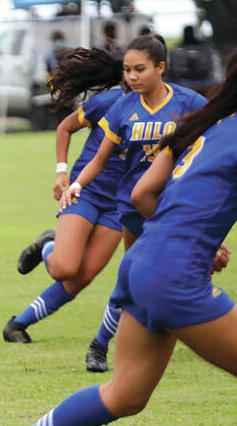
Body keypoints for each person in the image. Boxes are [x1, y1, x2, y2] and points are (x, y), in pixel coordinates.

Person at [0, 39, 237, 426]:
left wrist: (187, 237)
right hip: (175, 274)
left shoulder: (201, 125)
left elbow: (142, 195)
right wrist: (193, 242)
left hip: (141, 262)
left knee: (125, 395)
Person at [57, 35, 207, 369]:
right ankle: (102, 344)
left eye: (140, 69)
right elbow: (98, 160)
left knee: (177, 273)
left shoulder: (190, 103)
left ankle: (112, 342)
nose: (132, 77)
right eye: (127, 70)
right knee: (133, 275)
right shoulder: (123, 108)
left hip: (174, 205)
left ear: (161, 67)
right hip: (133, 206)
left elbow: (215, 138)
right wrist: (75, 185)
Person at [2, 47, 127, 374]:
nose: (133, 77)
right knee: (63, 268)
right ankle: (48, 244)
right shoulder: (108, 102)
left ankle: (17, 324)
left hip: (120, 204)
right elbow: (64, 128)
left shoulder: (170, 110)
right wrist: (62, 172)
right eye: (130, 70)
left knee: (82, 277)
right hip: (85, 191)